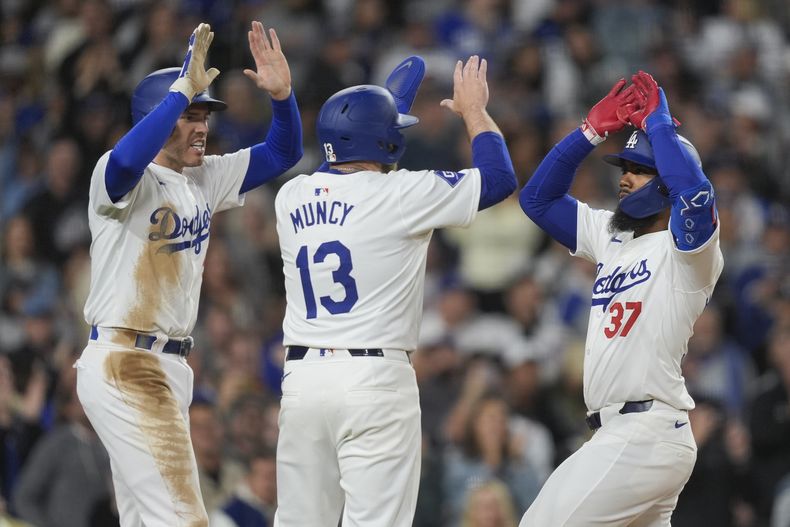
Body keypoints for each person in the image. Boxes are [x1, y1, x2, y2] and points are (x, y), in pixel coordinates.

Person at [74, 21, 302, 526]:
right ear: (161, 116)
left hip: (168, 366)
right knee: (184, 519)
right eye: (189, 116)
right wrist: (180, 90)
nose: (200, 126)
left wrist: (283, 99)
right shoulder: (117, 177)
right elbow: (128, 158)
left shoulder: (203, 177)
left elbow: (283, 153)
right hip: (126, 361)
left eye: (204, 115)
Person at [273, 55, 517, 526]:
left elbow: (356, 163)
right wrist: (474, 113)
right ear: (384, 142)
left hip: (303, 381)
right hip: (374, 382)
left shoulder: (291, 196)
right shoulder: (402, 195)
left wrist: (386, 108)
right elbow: (499, 179)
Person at [518, 71, 724, 526]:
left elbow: (695, 195)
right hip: (623, 434)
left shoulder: (688, 254)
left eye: (640, 169)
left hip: (646, 430)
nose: (626, 178)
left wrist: (662, 129)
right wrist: (587, 133)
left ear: (666, 180)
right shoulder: (611, 236)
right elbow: (537, 199)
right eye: (624, 169)